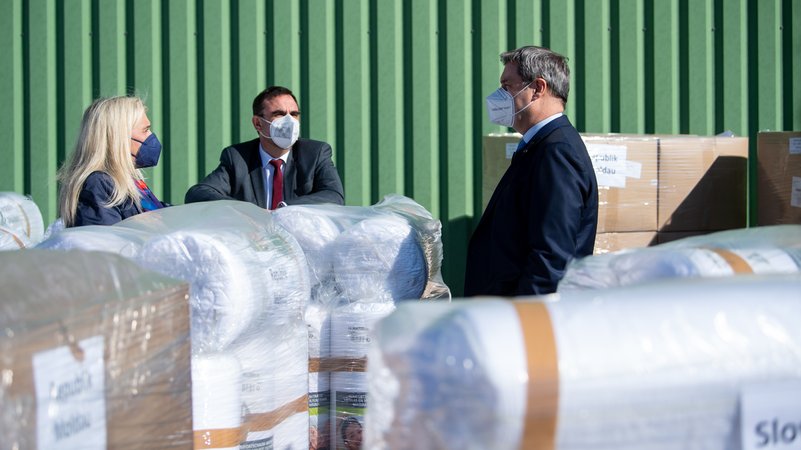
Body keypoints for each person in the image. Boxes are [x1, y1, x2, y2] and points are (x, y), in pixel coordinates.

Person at [464, 46, 598, 296]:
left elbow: (552, 257)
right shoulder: (540, 145)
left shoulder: (556, 152)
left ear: (537, 88)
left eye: (507, 86)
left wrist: (526, 316)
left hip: (523, 312)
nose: (499, 95)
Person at [185, 86, 345, 208]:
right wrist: (246, 211)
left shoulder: (315, 153)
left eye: (294, 114)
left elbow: (334, 196)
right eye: (279, 114)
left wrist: (284, 209)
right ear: (258, 123)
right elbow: (198, 193)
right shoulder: (237, 157)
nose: (289, 121)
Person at [58, 96, 167, 227]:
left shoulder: (129, 183)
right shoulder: (99, 185)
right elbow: (105, 237)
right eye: (145, 130)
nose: (151, 136)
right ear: (120, 137)